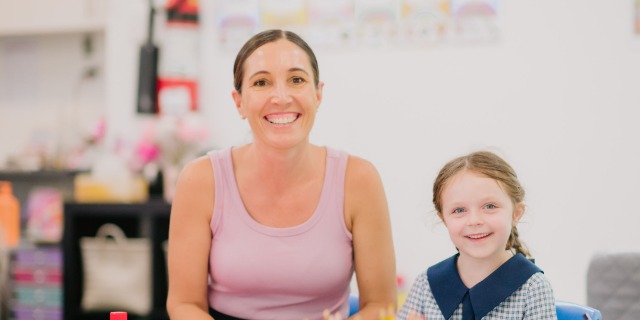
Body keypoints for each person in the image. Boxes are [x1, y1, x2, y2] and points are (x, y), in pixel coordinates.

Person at [166, 29, 397, 320]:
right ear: (239, 102)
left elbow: (381, 305)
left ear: (318, 94)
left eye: (296, 80)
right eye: (261, 82)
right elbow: (184, 304)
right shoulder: (200, 180)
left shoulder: (359, 179)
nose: (281, 96)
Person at [397, 151, 556, 320]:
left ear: (516, 213)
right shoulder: (426, 284)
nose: (474, 221)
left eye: (489, 206)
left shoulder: (532, 288)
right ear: (443, 218)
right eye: (459, 210)